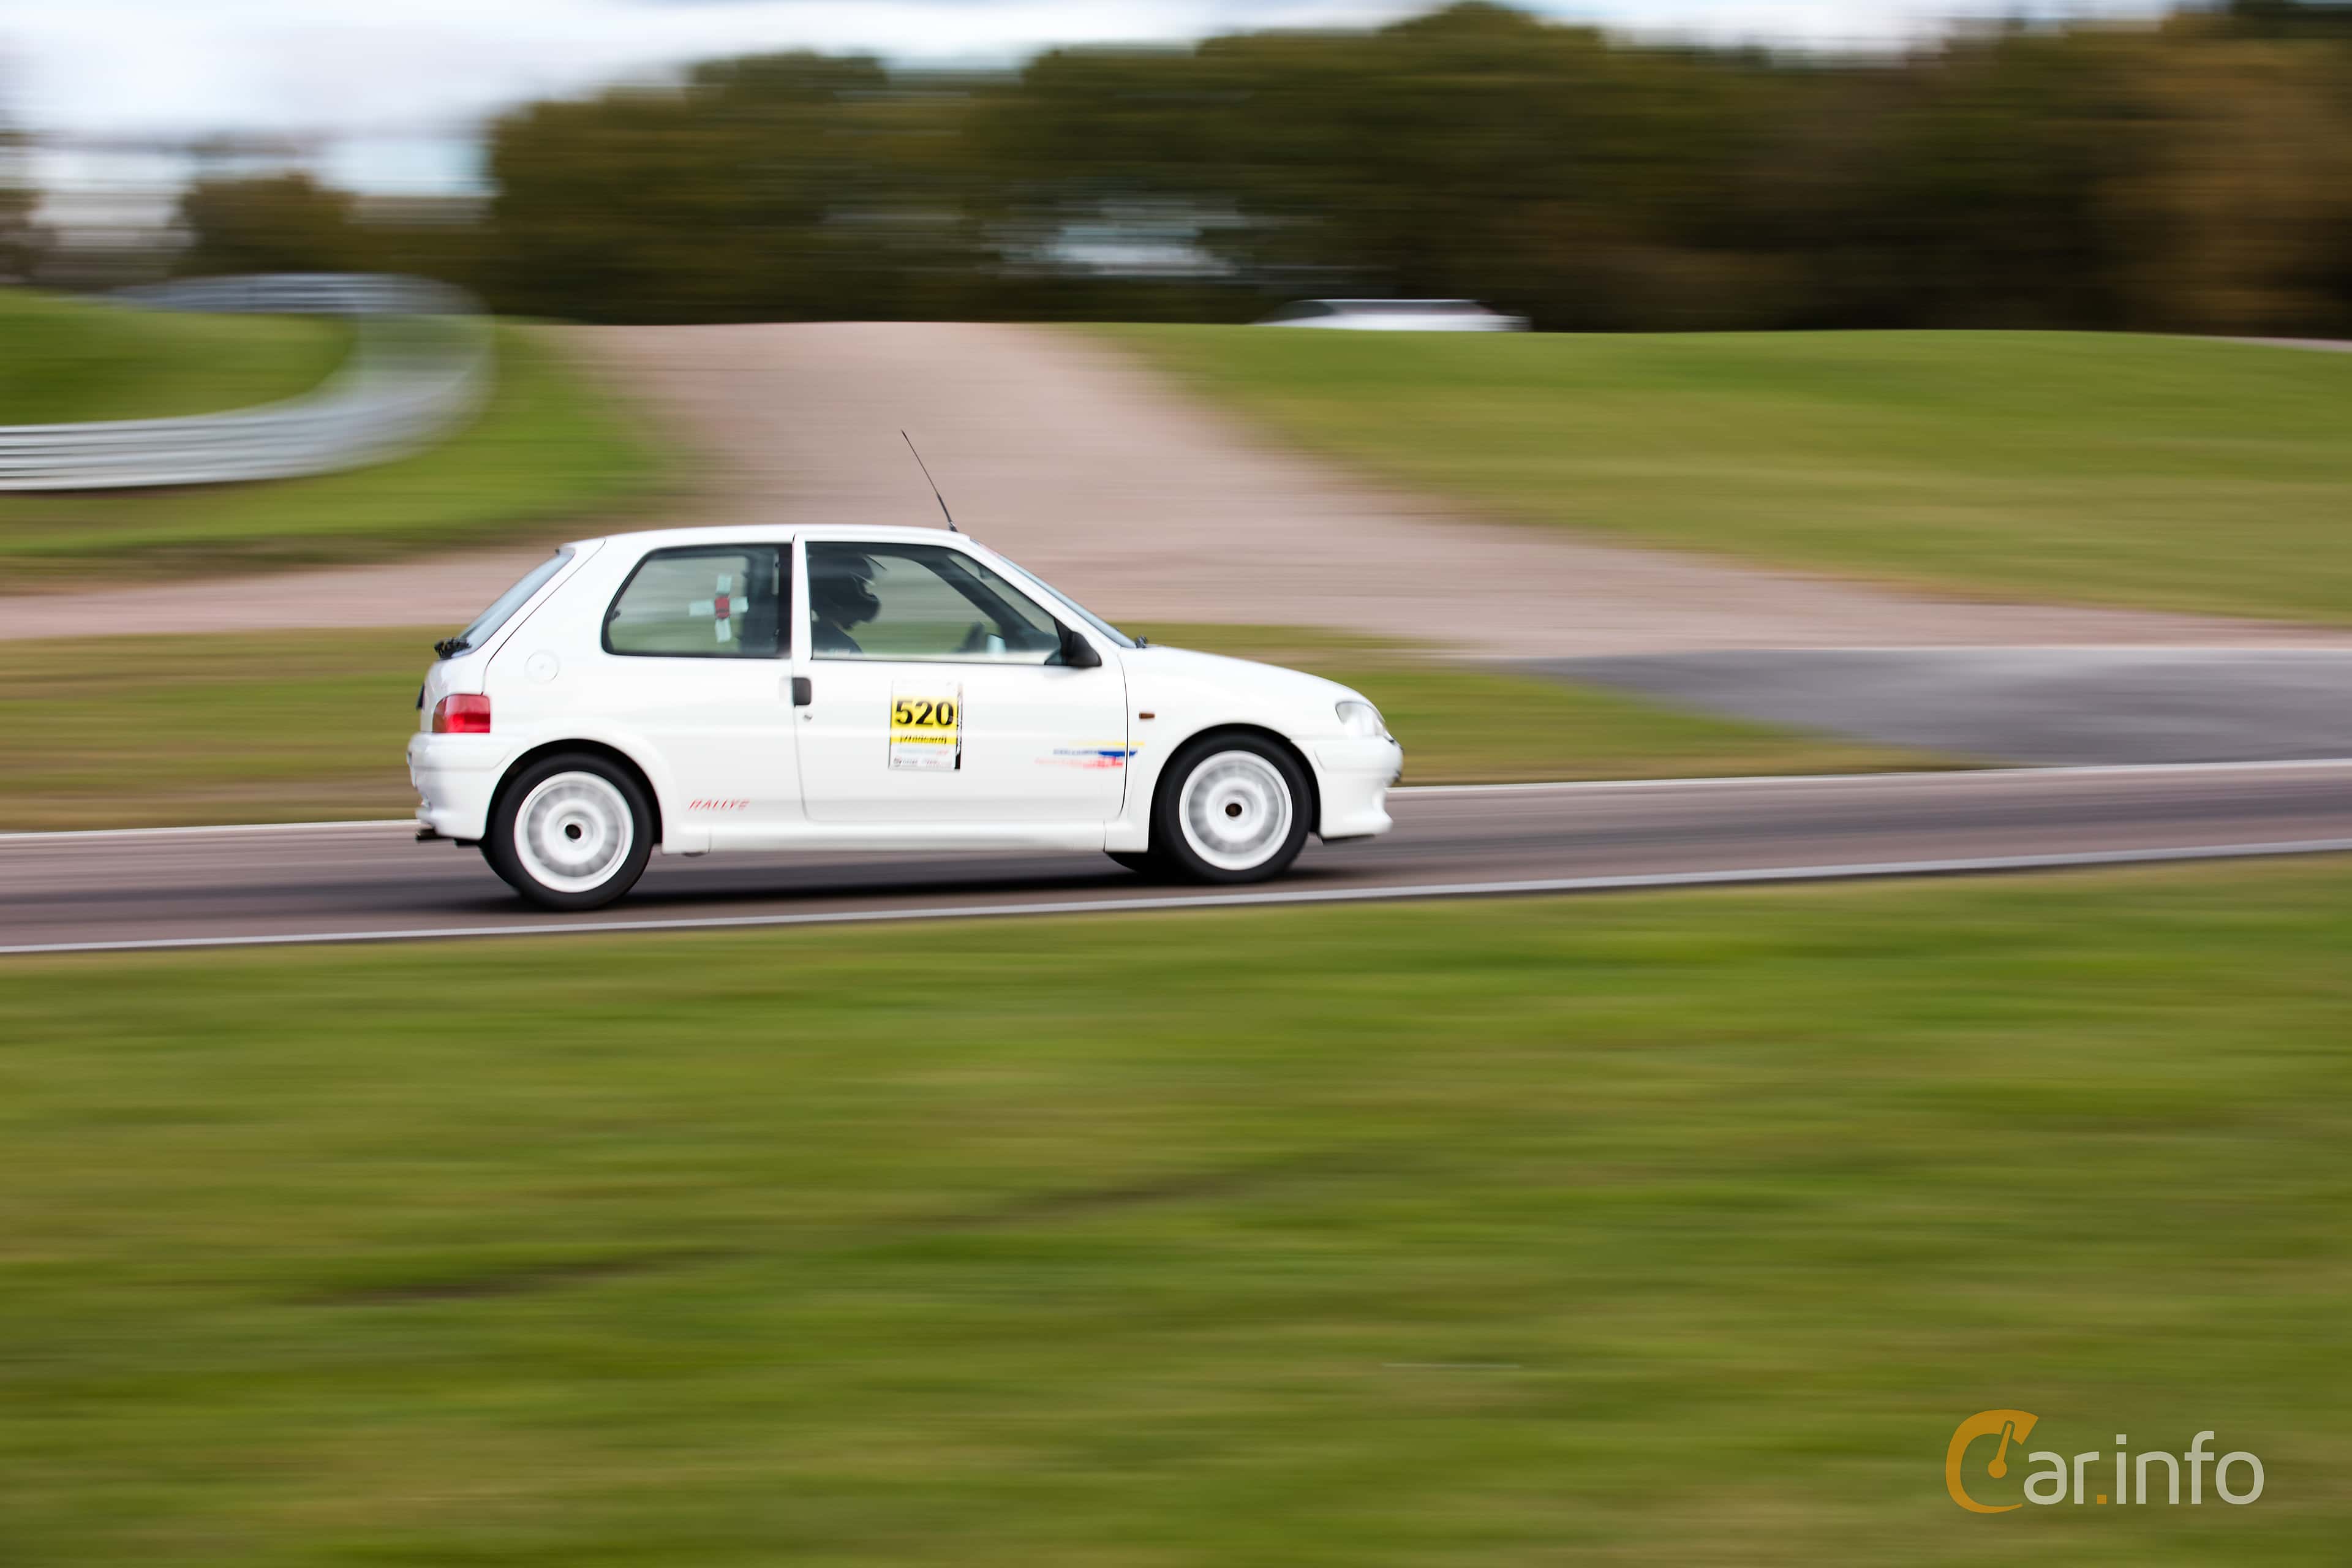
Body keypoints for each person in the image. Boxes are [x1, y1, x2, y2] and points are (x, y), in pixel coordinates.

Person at [809, 549, 880, 655]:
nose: (867, 594)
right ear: (845, 593)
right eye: (863, 588)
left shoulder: (810, 635)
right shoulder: (844, 649)